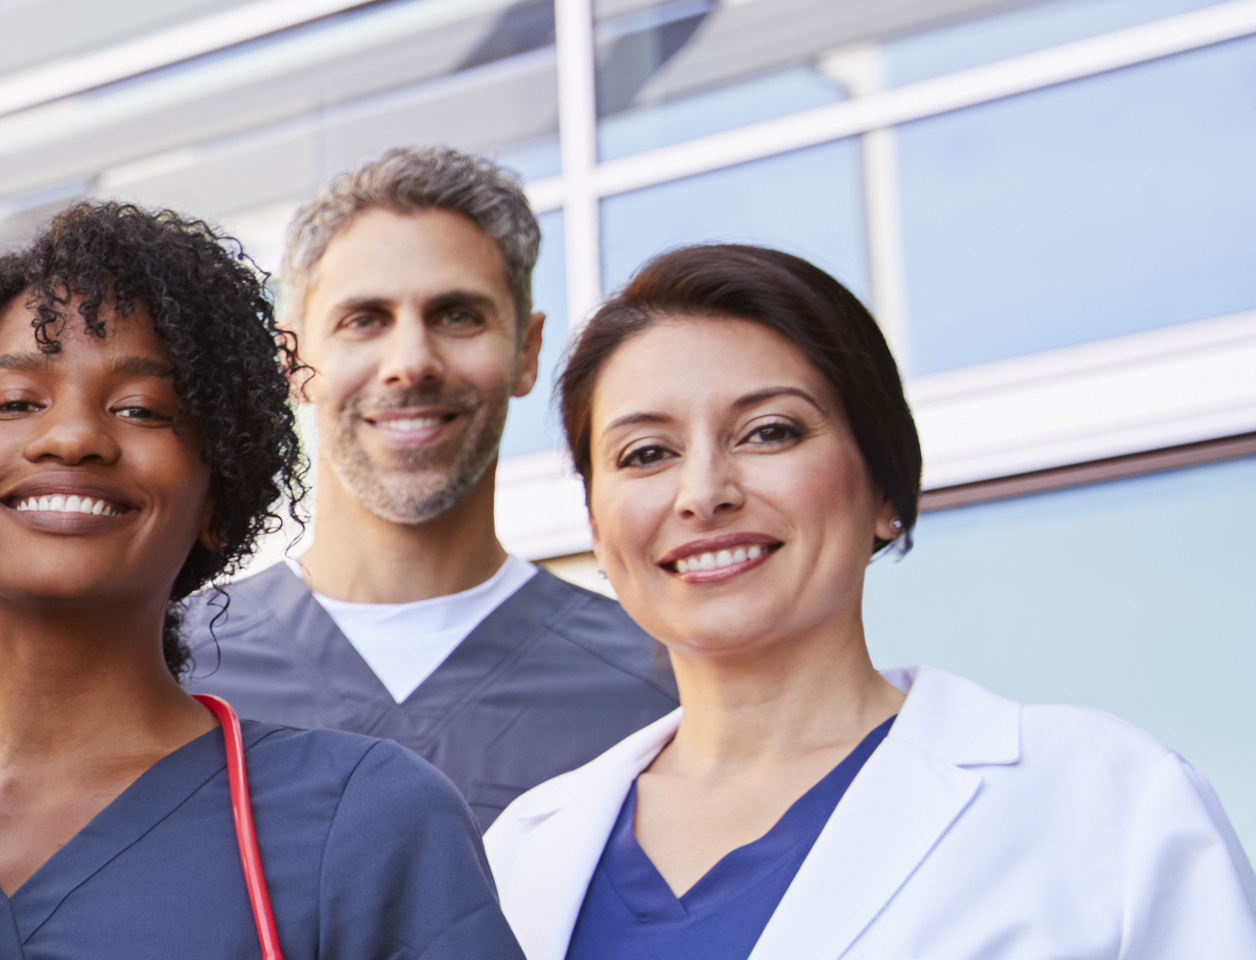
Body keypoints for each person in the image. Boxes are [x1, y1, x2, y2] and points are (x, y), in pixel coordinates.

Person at [481, 244, 1256, 958]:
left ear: (885, 486)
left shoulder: (1105, 803)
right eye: (645, 454)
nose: (703, 494)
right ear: (596, 522)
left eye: (769, 432)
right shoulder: (518, 856)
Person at [0, 201, 520, 959]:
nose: (75, 435)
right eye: (15, 402)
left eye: (142, 410)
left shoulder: (365, 819)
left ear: (217, 498)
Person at [184, 146, 673, 829]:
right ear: (292, 360)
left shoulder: (659, 685)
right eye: (364, 320)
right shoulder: (167, 669)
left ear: (526, 353)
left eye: (457, 316)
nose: (410, 364)